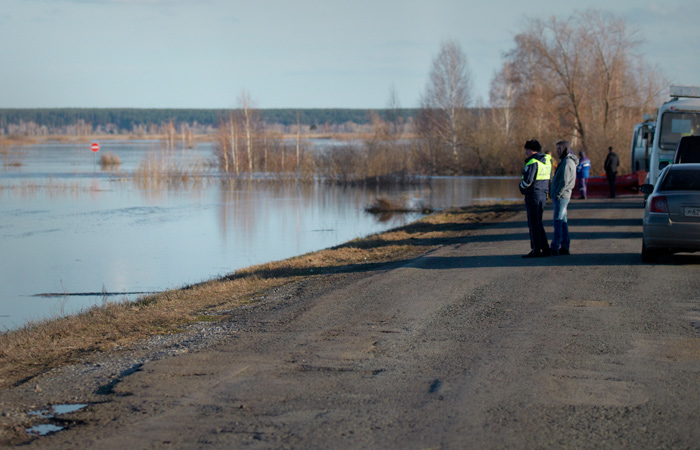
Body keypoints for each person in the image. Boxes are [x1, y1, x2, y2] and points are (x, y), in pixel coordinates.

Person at [519, 139, 552, 258]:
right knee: (539, 222)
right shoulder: (547, 161)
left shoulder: (532, 162)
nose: (525, 153)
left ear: (529, 150)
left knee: (533, 223)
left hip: (533, 194)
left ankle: (536, 249)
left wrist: (521, 188)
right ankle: (545, 248)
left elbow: (528, 181)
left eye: (526, 150)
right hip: (543, 194)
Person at [550, 141, 578, 256]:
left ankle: (554, 247)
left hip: (562, 197)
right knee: (563, 222)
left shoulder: (567, 162)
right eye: (556, 148)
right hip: (562, 196)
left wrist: (557, 194)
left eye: (559, 149)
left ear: (564, 148)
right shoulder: (565, 161)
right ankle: (565, 246)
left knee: (557, 221)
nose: (557, 151)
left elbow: (564, 182)